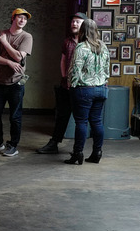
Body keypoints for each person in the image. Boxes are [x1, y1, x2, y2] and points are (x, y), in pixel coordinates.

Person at [0, 8, 34, 157]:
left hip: (16, 83)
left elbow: (19, 58)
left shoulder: (27, 37)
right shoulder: (1, 34)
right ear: (13, 18)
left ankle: (13, 145)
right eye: (20, 17)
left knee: (15, 116)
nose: (22, 21)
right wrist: (7, 61)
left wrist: (5, 43)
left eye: (25, 19)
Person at [37, 12, 86, 154]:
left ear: (85, 24)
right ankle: (54, 143)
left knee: (81, 119)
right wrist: (65, 77)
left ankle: (80, 149)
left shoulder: (88, 43)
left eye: (78, 21)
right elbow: (63, 60)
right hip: (67, 85)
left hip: (82, 87)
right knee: (62, 116)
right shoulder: (67, 41)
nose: (74, 24)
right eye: (73, 21)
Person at [65, 18, 110, 165]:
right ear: (96, 30)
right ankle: (97, 152)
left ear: (83, 31)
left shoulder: (81, 47)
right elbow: (107, 69)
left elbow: (75, 70)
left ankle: (77, 154)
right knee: (97, 122)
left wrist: (71, 85)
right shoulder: (103, 46)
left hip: (84, 89)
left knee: (81, 122)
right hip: (101, 89)